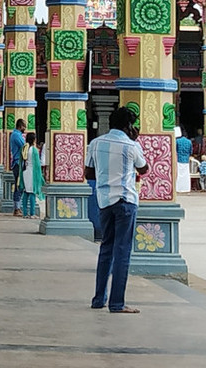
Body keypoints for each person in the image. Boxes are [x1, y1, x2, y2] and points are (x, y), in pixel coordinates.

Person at [84, 106, 148, 313]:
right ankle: (117, 303)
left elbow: (89, 173)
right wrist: (135, 141)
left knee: (106, 248)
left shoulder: (95, 143)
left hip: (104, 201)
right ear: (128, 125)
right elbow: (144, 169)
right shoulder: (130, 146)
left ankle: (98, 299)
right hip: (126, 200)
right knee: (122, 251)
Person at [18, 131, 44, 218]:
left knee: (26, 192)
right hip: (32, 172)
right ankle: (32, 213)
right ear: (34, 140)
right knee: (32, 193)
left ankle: (25, 213)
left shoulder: (24, 148)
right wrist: (40, 176)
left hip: (25, 172)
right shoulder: (34, 150)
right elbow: (37, 165)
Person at [9, 118, 28, 217]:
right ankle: (17, 208)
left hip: (18, 163)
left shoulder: (16, 135)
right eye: (24, 126)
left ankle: (18, 207)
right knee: (19, 185)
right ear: (20, 126)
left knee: (19, 185)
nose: (25, 128)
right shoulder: (16, 135)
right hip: (18, 163)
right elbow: (25, 147)